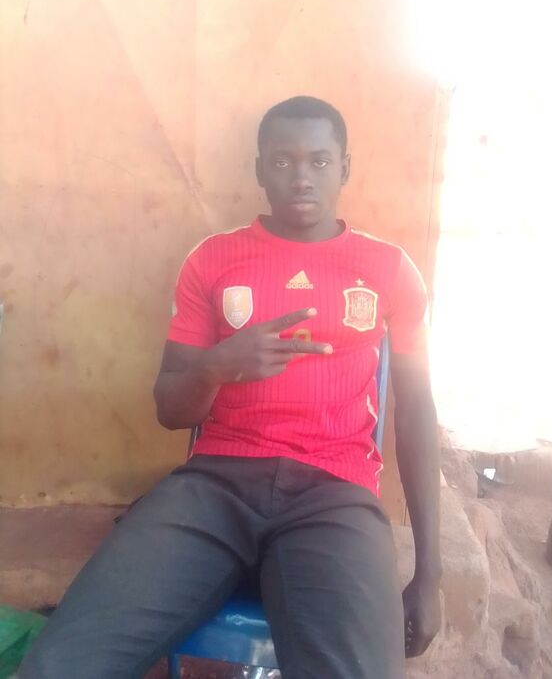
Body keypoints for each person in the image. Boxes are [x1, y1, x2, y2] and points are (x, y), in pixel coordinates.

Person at [20, 96, 442, 679]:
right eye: (283, 161)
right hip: (215, 486)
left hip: (336, 495)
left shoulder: (389, 269)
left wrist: (430, 574)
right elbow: (171, 409)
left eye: (320, 161)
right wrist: (215, 368)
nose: (301, 177)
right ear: (260, 170)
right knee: (61, 663)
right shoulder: (213, 261)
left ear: (344, 168)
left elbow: (417, 412)